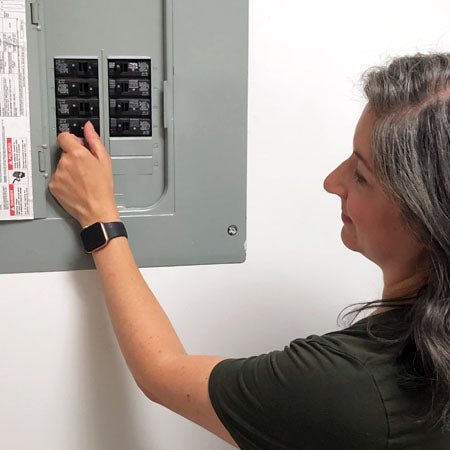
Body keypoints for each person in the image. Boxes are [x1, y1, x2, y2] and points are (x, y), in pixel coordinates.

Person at [49, 52, 450, 449]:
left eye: (361, 176)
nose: (333, 181)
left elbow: (162, 372)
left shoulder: (349, 384)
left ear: (425, 216)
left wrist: (98, 215)